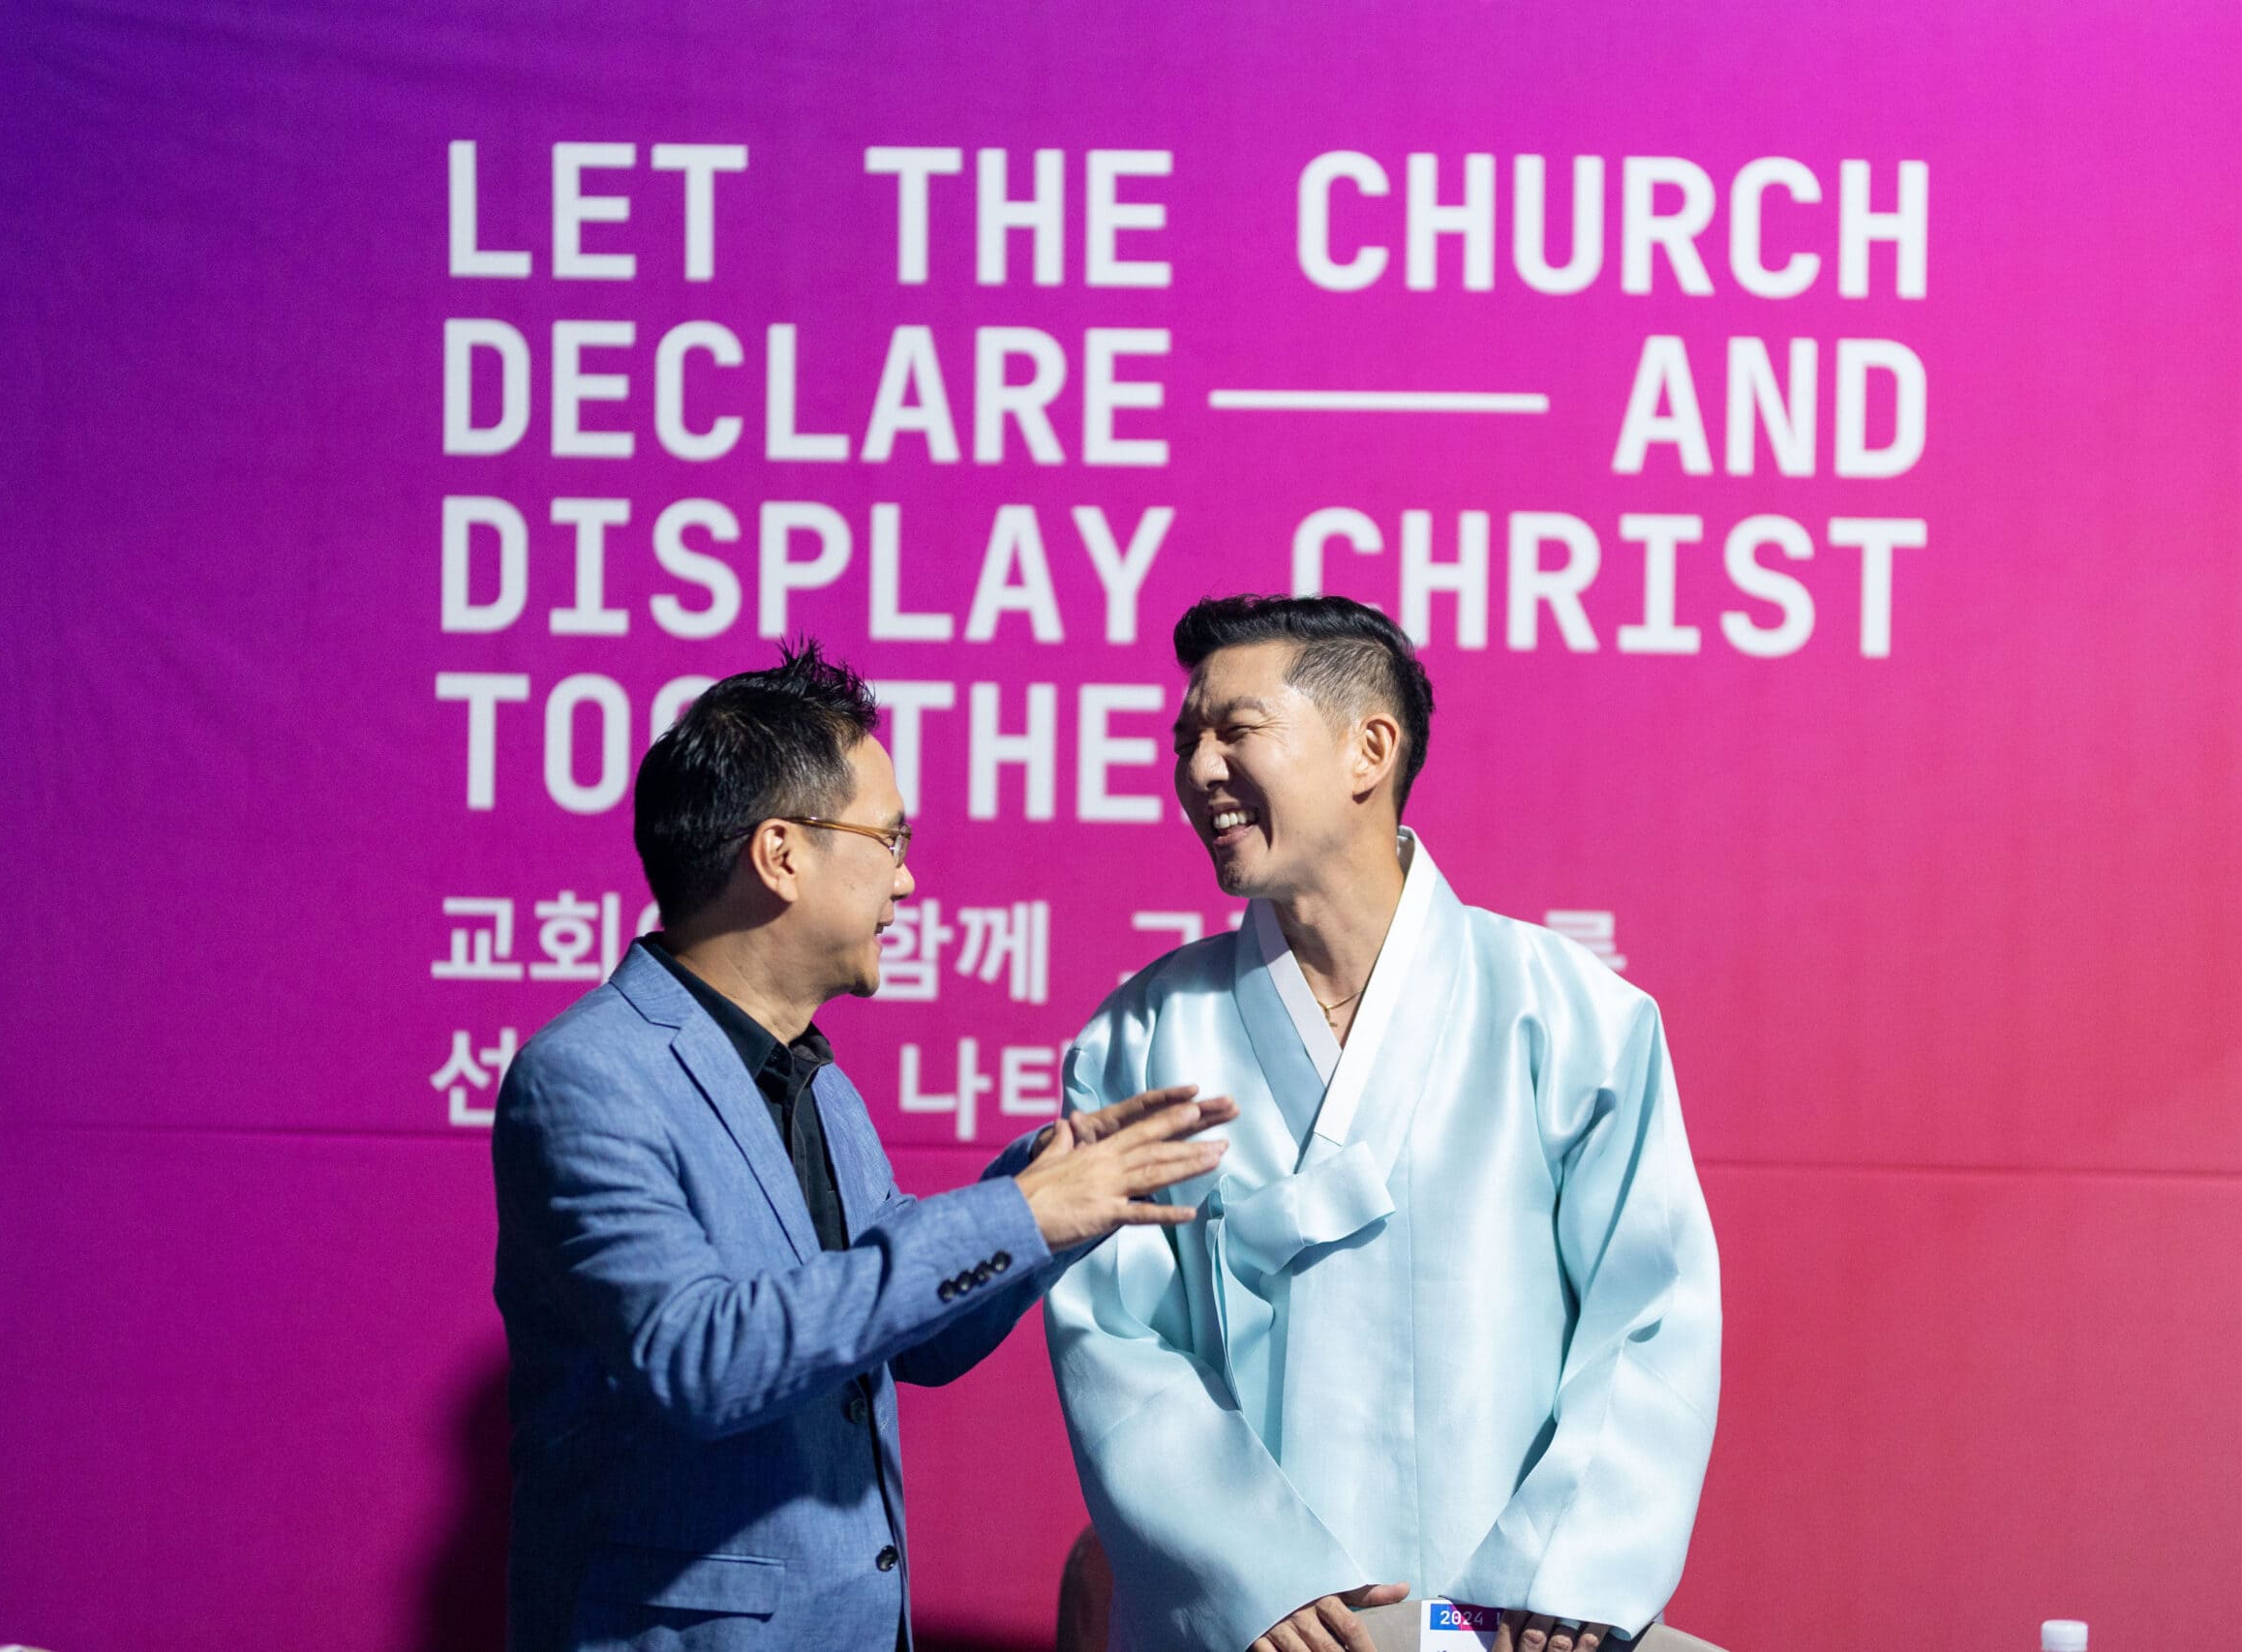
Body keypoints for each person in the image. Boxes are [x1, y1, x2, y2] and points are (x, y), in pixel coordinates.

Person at [493, 644, 1234, 1652]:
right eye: (890, 837)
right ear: (781, 854)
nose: (908, 877)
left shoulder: (815, 1078)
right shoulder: (587, 1074)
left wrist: (1057, 1195)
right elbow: (698, 1358)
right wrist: (1019, 1212)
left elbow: (913, 1338)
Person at [1045, 596, 1720, 1652]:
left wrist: (1564, 1571)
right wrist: (1249, 1575)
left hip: (1503, 1625)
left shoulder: (1569, 1014)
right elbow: (1113, 1337)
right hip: (1263, 1633)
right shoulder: (1142, 1038)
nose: (1199, 769)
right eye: (1185, 742)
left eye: (1234, 730)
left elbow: (1651, 1311)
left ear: (1369, 748)